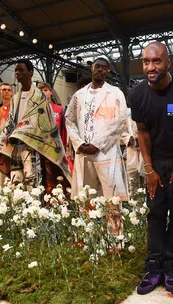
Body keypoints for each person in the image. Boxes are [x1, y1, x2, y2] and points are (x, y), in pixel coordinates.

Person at [129, 41, 173, 295]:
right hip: (155, 164)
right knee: (156, 214)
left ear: (168, 63)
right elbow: (142, 132)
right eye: (146, 62)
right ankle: (153, 269)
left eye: (156, 61)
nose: (151, 67)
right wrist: (149, 170)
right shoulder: (137, 95)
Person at [0, 59, 71, 192]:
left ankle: (34, 210)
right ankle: (18, 210)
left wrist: (20, 131)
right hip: (15, 146)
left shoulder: (39, 96)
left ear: (31, 72)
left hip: (33, 145)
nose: (17, 73)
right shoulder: (15, 98)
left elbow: (42, 121)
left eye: (21, 70)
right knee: (15, 179)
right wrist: (1, 141)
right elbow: (11, 121)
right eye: (16, 71)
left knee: (32, 179)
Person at [65, 57, 128, 201]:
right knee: (86, 196)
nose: (99, 69)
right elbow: (69, 120)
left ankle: (112, 224)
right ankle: (88, 223)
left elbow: (120, 121)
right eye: (97, 66)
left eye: (103, 67)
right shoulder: (79, 95)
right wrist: (78, 143)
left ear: (108, 71)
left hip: (106, 151)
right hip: (84, 151)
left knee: (111, 197)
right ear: (92, 68)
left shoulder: (115, 93)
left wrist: (97, 144)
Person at [37, 82, 68, 150]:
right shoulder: (34, 110)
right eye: (40, 91)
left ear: (51, 92)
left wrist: (64, 148)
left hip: (56, 148)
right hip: (39, 148)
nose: (43, 92)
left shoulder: (60, 109)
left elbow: (64, 131)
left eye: (45, 90)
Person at [0, 83, 13, 185]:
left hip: (13, 149)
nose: (6, 91)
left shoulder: (16, 110)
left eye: (9, 90)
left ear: (12, 93)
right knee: (0, 178)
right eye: (4, 90)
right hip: (0, 151)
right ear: (0, 92)